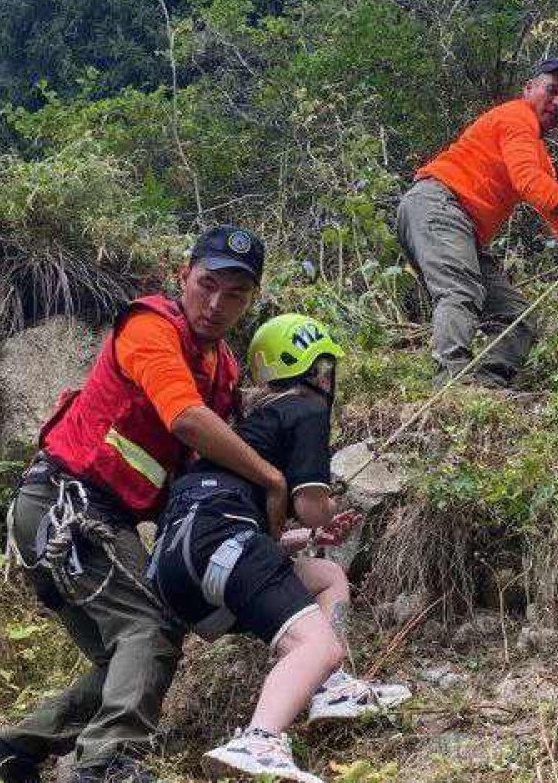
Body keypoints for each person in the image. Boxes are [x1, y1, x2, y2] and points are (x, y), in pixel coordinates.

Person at [0, 225, 287, 783]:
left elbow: (202, 466)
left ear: (250, 299)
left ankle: (10, 753)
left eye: (235, 294)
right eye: (207, 284)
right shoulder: (149, 327)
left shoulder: (223, 368)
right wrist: (274, 480)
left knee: (126, 655)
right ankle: (106, 762)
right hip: (65, 506)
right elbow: (183, 418)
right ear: (183, 276)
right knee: (148, 627)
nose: (215, 304)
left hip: (102, 517)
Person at [149, 313, 410, 783]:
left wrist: (310, 539)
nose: (329, 377)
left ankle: (330, 685)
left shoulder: (253, 426)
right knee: (317, 642)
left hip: (181, 561)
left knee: (327, 576)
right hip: (223, 538)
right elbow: (311, 505)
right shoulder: (306, 409)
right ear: (315, 368)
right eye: (326, 367)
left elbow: (259, 542)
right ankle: (261, 738)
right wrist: (324, 515)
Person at [397, 57, 558, 389]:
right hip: (438, 205)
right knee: (460, 290)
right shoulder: (516, 117)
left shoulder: (536, 150)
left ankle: (485, 389)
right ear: (529, 88)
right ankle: (450, 386)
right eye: (552, 90)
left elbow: (550, 204)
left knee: (518, 318)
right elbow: (529, 182)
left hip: (460, 226)